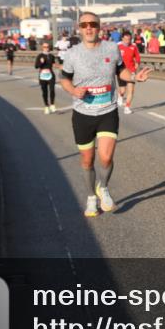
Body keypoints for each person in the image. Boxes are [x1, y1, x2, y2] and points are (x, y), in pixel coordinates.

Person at [60, 12, 152, 218]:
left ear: (99, 27)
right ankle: (91, 197)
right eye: (84, 25)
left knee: (106, 157)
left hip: (107, 111)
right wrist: (73, 91)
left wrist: (135, 77)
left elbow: (121, 72)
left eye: (93, 24)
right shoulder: (73, 53)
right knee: (87, 160)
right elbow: (64, 78)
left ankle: (104, 187)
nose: (89, 28)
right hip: (82, 113)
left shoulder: (112, 48)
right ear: (79, 28)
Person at [117, 31, 141, 115]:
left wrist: (137, 63)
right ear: (122, 38)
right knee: (123, 90)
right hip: (121, 71)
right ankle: (120, 95)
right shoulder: (118, 46)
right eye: (126, 39)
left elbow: (137, 56)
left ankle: (127, 107)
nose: (128, 41)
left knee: (131, 91)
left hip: (131, 71)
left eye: (129, 39)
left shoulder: (133, 46)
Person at [34, 42, 58, 114]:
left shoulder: (51, 56)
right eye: (44, 47)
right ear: (42, 47)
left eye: (47, 47)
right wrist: (41, 62)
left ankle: (52, 104)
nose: (46, 48)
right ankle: (46, 106)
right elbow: (36, 66)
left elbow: (53, 64)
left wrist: (61, 67)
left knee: (52, 90)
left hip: (50, 75)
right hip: (42, 75)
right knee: (45, 92)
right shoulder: (39, 56)